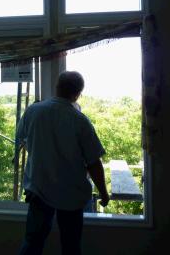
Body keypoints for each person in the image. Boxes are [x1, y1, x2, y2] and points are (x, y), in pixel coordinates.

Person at [17, 71, 110, 255]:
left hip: (39, 189)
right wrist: (104, 193)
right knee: (71, 246)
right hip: (71, 194)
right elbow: (93, 162)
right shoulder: (80, 121)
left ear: (57, 87)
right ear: (77, 94)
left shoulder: (33, 112)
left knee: (33, 243)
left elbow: (22, 140)